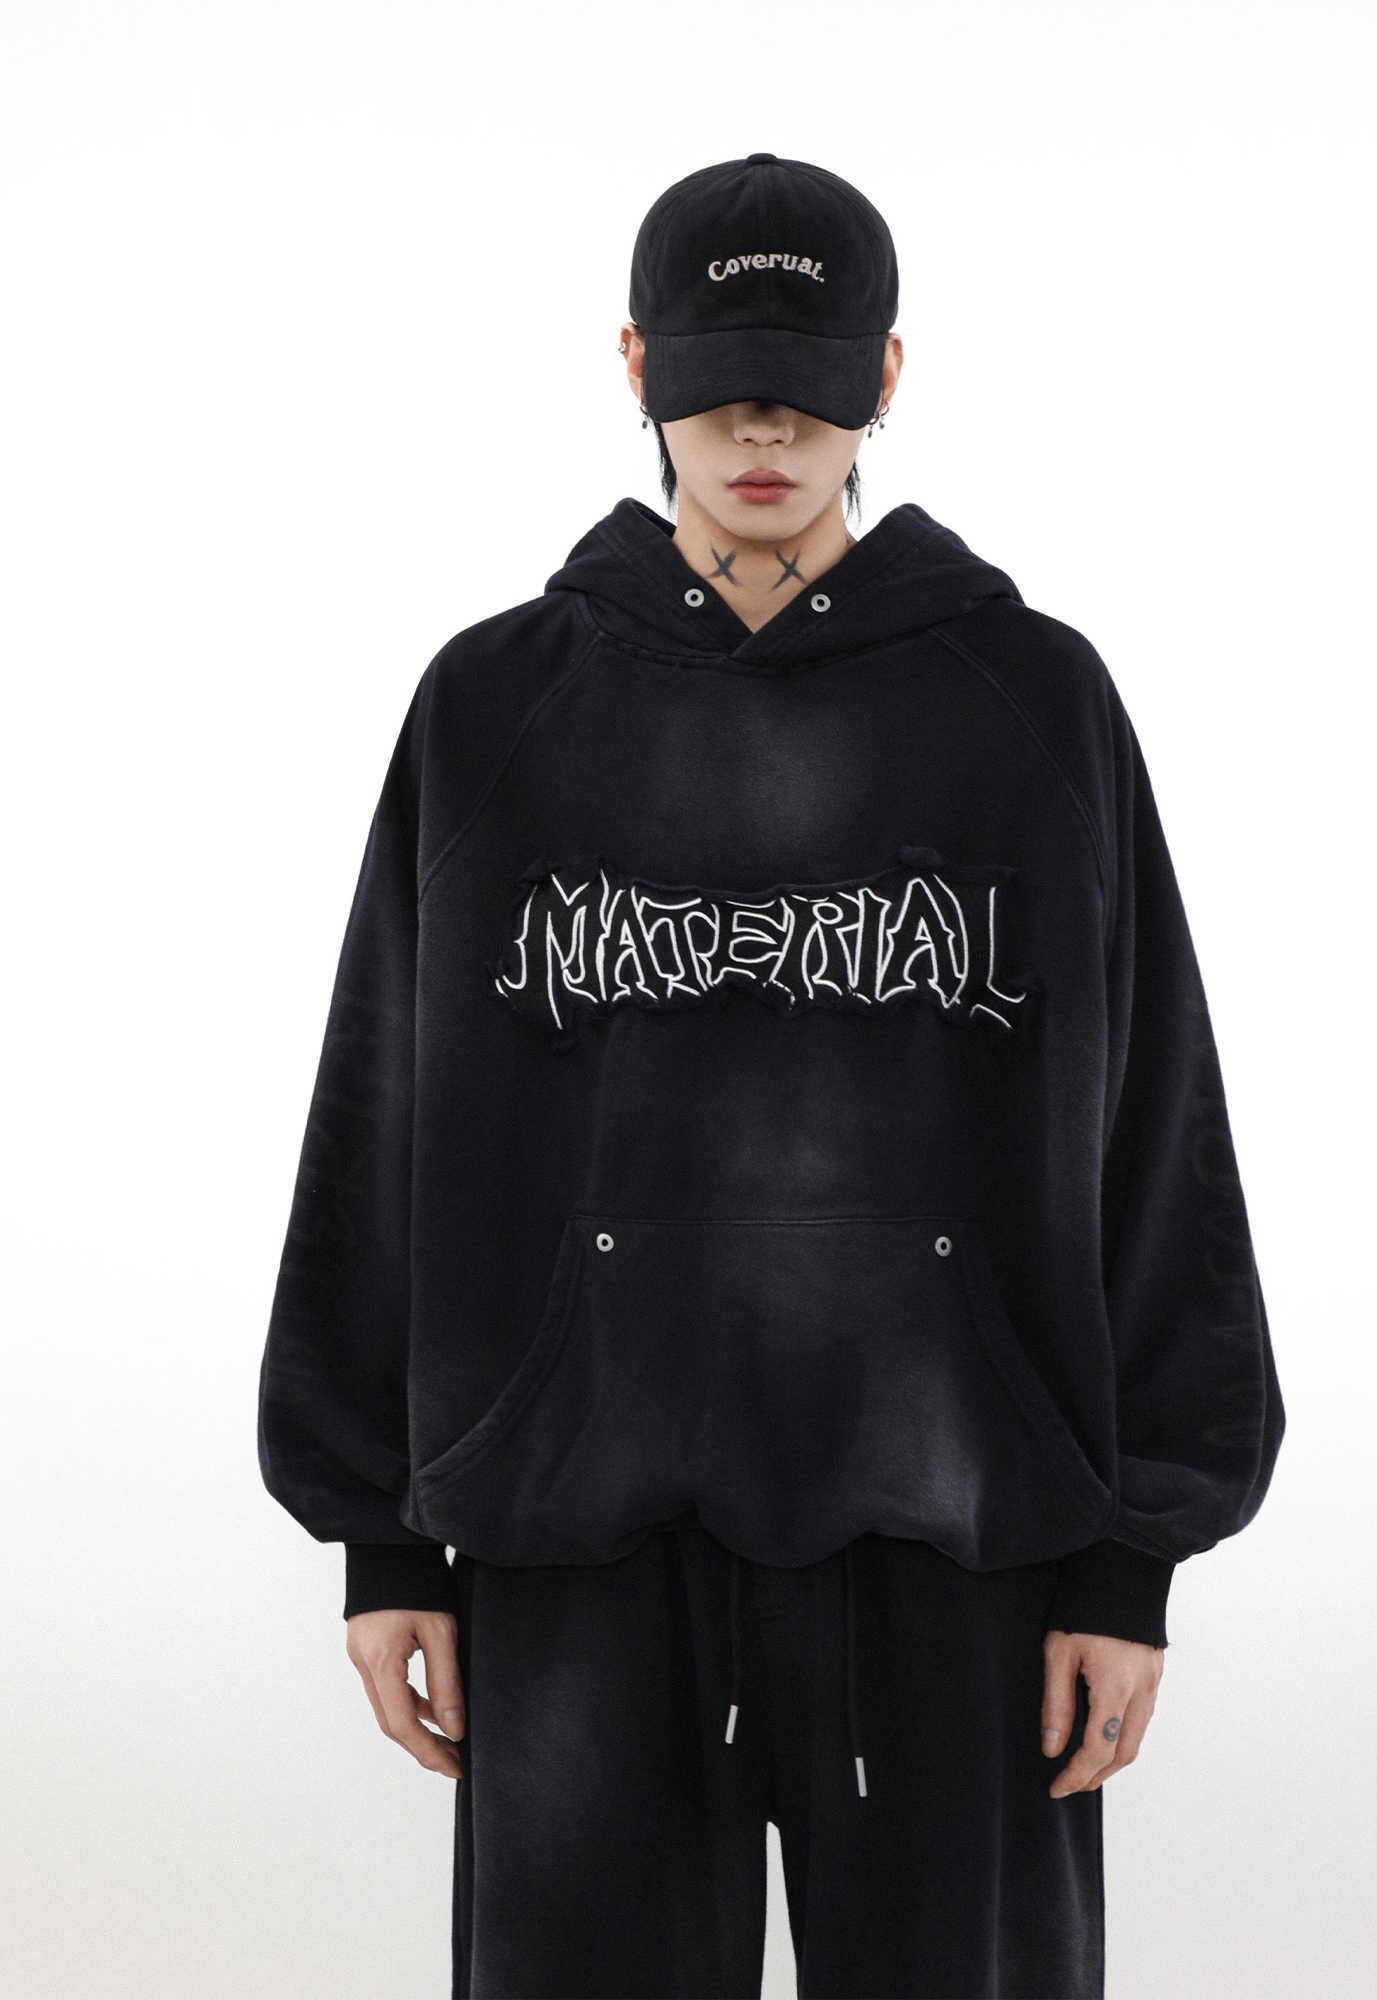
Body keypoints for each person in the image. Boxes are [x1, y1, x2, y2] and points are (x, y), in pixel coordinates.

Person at [257, 152, 1286, 2000]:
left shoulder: (1033, 702)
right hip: (579, 1538)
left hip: (961, 1537)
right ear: (635, 364)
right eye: (721, 378)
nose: (761, 426)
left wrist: (1131, 1559)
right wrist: (384, 1538)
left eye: (806, 381)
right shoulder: (495, 707)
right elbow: (384, 1114)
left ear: (886, 373)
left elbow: (1156, 1130)